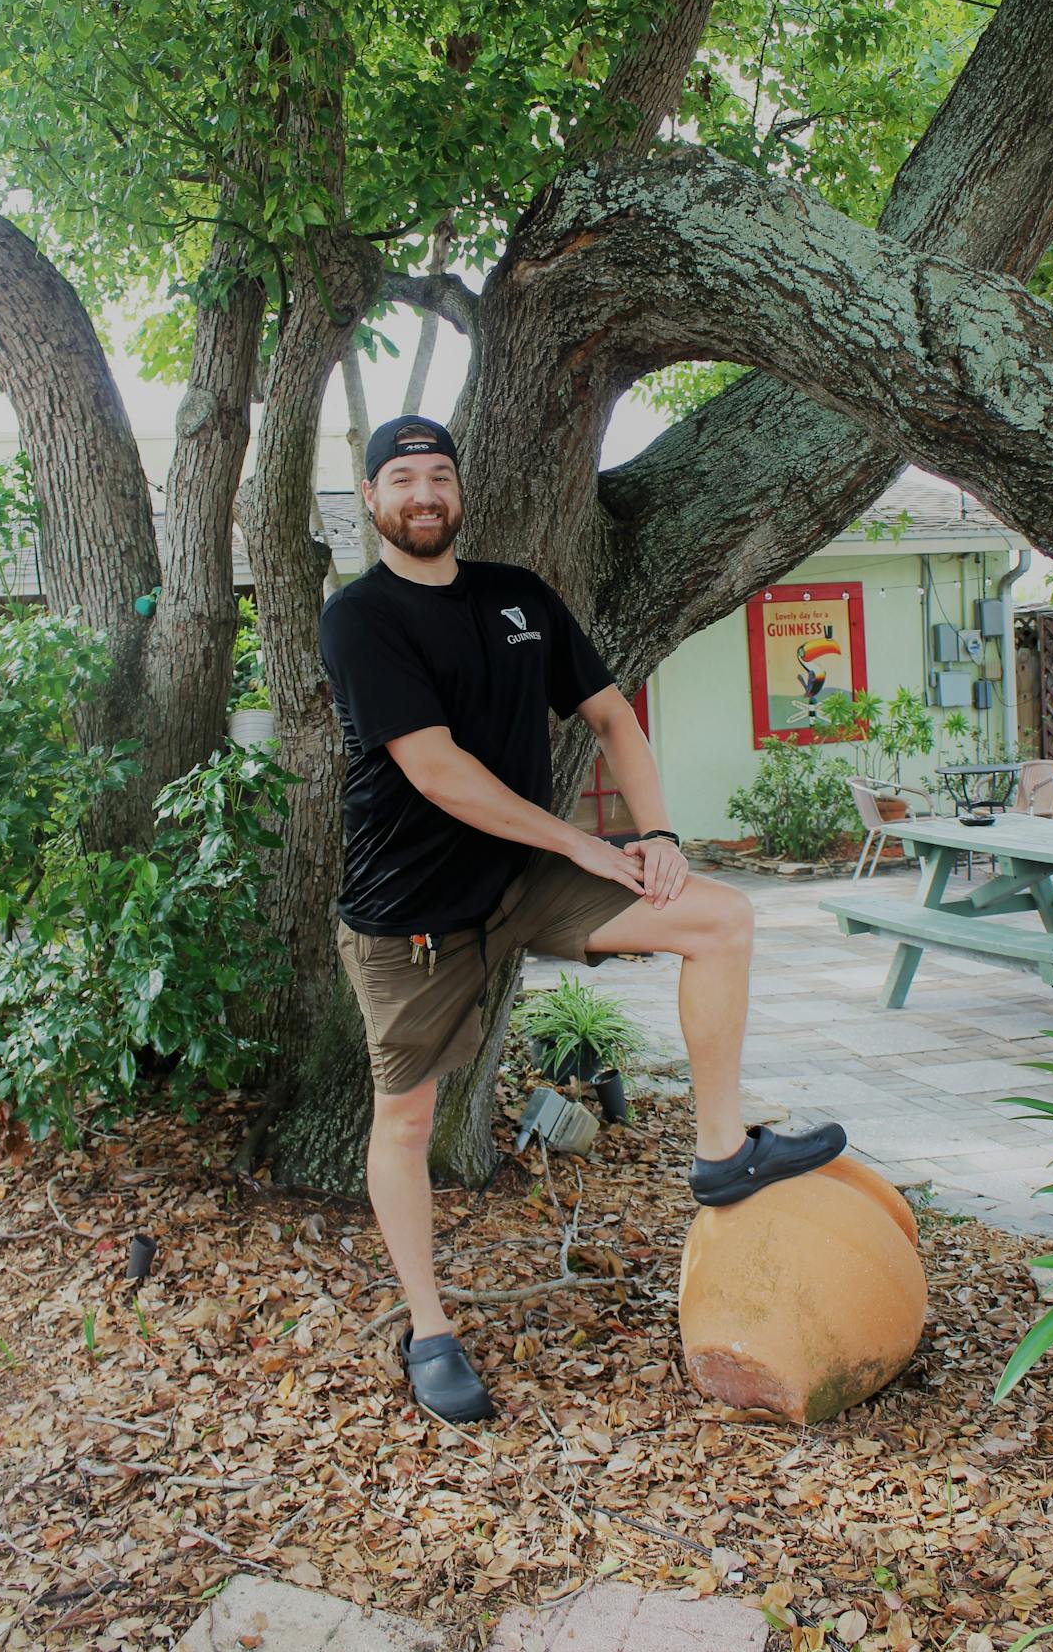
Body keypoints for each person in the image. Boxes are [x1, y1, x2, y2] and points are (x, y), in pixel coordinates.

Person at [318, 414, 847, 1423]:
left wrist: (655, 832)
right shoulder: (361, 618)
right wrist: (583, 843)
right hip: (412, 916)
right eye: (402, 480)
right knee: (407, 1118)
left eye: (439, 475)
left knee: (719, 918)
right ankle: (429, 1329)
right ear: (375, 499)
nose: (423, 494)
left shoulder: (519, 596)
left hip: (522, 879)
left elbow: (609, 714)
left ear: (458, 491)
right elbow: (436, 772)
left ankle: (723, 1149)